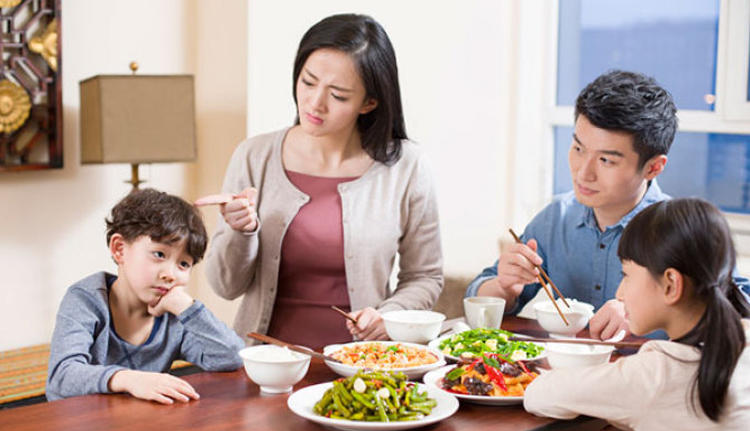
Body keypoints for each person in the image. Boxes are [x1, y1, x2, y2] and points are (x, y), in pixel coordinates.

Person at [200, 14, 443, 347]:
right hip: (267, 365)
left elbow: (425, 277)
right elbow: (225, 287)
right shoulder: (254, 156)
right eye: (308, 81)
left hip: (364, 369)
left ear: (369, 102)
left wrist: (390, 315)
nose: (314, 103)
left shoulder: (407, 167)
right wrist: (242, 233)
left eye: (339, 95)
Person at [467, 69, 749, 340]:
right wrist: (505, 287)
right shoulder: (556, 219)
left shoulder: (683, 230)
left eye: (606, 160)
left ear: (653, 167)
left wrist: (646, 311)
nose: (582, 172)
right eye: (578, 148)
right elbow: (476, 296)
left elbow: (742, 310)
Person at [524, 198, 750, 431]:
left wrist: (625, 412)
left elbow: (539, 395)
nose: (619, 292)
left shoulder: (653, 375)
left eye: (627, 275)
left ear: (671, 284)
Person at [46, 189, 244, 404]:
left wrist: (187, 307)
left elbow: (232, 356)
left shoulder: (175, 317)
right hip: (84, 427)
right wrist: (130, 380)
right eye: (159, 254)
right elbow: (62, 377)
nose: (170, 274)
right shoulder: (85, 299)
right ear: (119, 249)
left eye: (183, 264)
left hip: (140, 425)